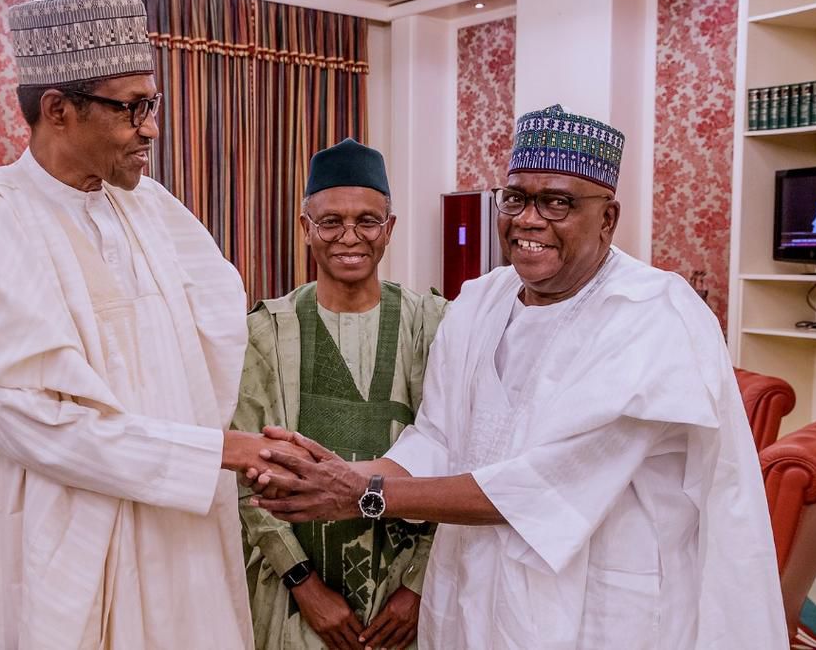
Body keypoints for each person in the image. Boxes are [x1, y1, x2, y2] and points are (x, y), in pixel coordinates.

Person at [250, 105, 788, 648]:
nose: (530, 220)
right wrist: (331, 473)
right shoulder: (482, 300)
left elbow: (541, 486)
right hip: (478, 592)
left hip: (600, 608)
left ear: (608, 218)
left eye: (558, 201)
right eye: (516, 198)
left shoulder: (652, 315)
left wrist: (364, 493)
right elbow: (437, 437)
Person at [0, 0, 303, 649]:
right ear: (58, 110)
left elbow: (208, 360)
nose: (151, 128)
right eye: (132, 108)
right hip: (58, 548)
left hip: (179, 536)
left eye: (150, 105)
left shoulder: (154, 211)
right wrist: (223, 451)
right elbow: (34, 429)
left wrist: (232, 446)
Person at [233, 138, 447, 650]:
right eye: (330, 222)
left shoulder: (433, 325)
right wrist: (304, 586)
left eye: (367, 221)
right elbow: (249, 477)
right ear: (306, 228)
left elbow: (457, 456)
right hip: (297, 604)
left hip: (407, 606)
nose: (349, 237)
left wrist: (417, 587)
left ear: (389, 229)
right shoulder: (267, 333)